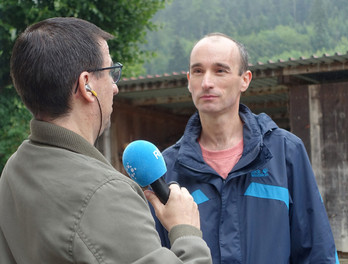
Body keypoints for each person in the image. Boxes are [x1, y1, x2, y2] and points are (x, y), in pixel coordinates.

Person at [0, 17, 212, 264]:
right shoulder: (106, 194)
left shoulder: (14, 169)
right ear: (86, 85)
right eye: (110, 72)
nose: (115, 87)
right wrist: (186, 232)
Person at [151, 33, 339, 264]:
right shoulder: (166, 169)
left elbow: (317, 252)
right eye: (198, 71)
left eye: (220, 70)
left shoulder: (285, 152)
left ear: (245, 80)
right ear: (189, 80)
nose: (207, 82)